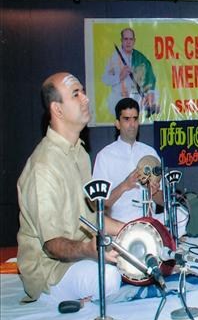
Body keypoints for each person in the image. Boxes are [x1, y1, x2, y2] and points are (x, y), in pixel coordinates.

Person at [17, 72, 123, 304]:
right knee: (109, 277)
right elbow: (51, 244)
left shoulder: (80, 154)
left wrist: (132, 228)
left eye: (83, 92)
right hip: (51, 271)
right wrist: (88, 250)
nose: (86, 98)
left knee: (140, 248)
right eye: (76, 94)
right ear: (57, 109)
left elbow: (92, 217)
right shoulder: (43, 166)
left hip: (81, 256)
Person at [93, 98, 165, 224]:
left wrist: (153, 193)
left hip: (149, 222)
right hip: (119, 224)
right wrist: (125, 185)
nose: (132, 124)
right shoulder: (104, 156)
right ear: (117, 124)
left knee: (182, 213)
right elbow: (99, 204)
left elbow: (163, 201)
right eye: (126, 119)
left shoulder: (150, 153)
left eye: (135, 119)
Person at [102, 27, 159, 118]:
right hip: (119, 101)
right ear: (121, 40)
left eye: (131, 39)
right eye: (126, 39)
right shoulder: (113, 58)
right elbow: (105, 79)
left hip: (136, 102)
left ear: (134, 41)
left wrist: (150, 93)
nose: (128, 42)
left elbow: (150, 78)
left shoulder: (140, 58)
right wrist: (120, 77)